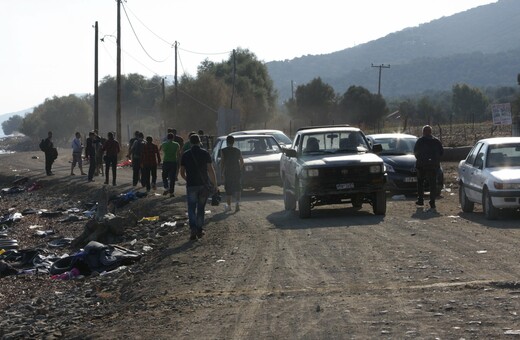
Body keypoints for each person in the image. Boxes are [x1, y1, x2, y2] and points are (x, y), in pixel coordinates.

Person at [180, 134, 217, 241]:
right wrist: (214, 184)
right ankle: (200, 230)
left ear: (190, 142)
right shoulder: (205, 153)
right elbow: (210, 170)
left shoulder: (186, 155)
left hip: (191, 185)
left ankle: (193, 229)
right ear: (199, 142)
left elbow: (182, 172)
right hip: (203, 185)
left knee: (191, 208)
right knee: (201, 208)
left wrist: (188, 179)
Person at [414, 125, 444, 210]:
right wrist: (435, 160)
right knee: (432, 184)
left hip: (422, 166)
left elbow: (415, 152)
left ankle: (420, 199)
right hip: (433, 166)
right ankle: (432, 202)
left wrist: (420, 160)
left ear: (423, 132)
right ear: (431, 132)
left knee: (420, 182)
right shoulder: (436, 141)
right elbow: (441, 152)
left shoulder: (420, 141)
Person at [220, 135, 244, 212]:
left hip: (228, 171)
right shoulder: (238, 150)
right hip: (236, 171)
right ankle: (237, 204)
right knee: (238, 188)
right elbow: (242, 161)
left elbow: (222, 162)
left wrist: (222, 173)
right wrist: (239, 168)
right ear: (233, 142)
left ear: (227, 142)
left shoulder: (223, 150)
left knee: (228, 189)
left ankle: (229, 206)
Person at [160, 132, 181, 197]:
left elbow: (161, 150)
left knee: (164, 176)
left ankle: (166, 187)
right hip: (173, 162)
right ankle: (171, 192)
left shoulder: (164, 144)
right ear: (173, 138)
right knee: (172, 178)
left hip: (166, 161)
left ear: (167, 138)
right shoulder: (177, 144)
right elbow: (178, 153)